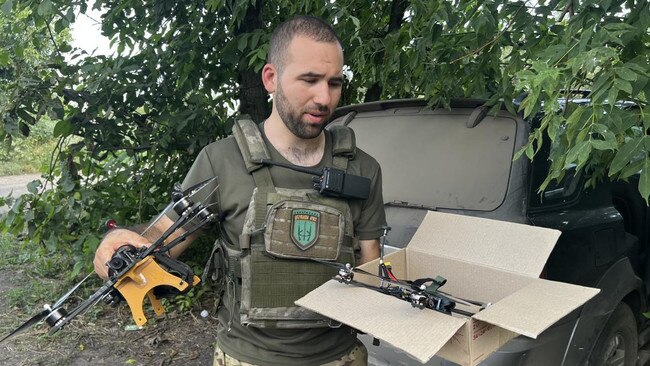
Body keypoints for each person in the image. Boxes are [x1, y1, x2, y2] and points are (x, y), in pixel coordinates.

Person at [94, 15, 386, 366]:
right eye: (309, 80)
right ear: (271, 78)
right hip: (247, 357)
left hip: (341, 356)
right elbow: (161, 237)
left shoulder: (362, 168)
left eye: (335, 82)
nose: (324, 98)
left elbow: (371, 266)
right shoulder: (221, 161)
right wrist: (121, 245)